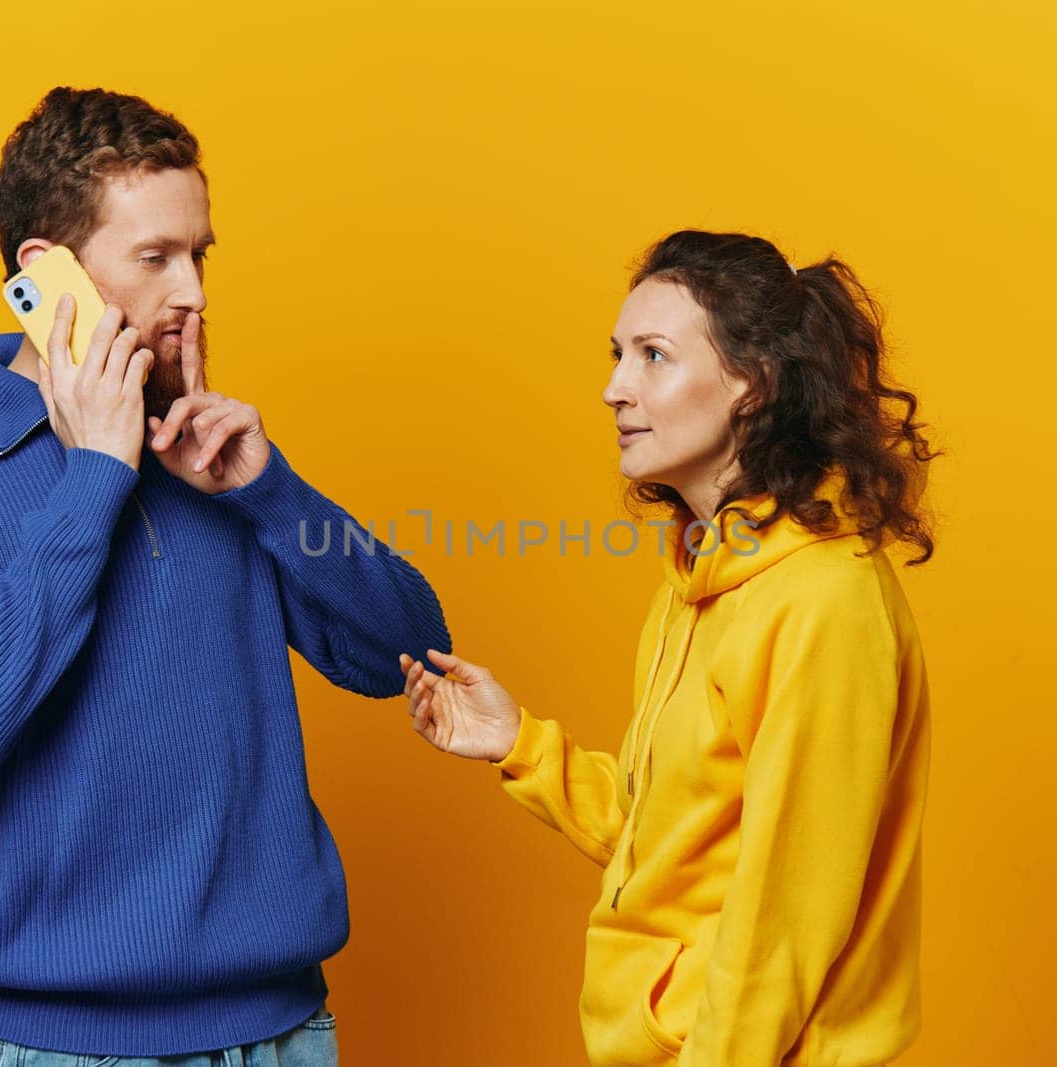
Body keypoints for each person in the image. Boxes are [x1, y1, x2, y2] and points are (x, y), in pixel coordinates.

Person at [0, 86, 451, 1065]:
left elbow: (411, 650)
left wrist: (269, 490)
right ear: (46, 276)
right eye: (155, 257)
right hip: (61, 1044)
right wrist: (94, 474)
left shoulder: (209, 450)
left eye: (200, 253)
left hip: (283, 1030)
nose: (195, 293)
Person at [399, 230, 938, 1066]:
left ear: (752, 385)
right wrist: (523, 746)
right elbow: (675, 835)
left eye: (654, 356)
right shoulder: (699, 575)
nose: (614, 387)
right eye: (618, 354)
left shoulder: (822, 600)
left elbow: (787, 917)